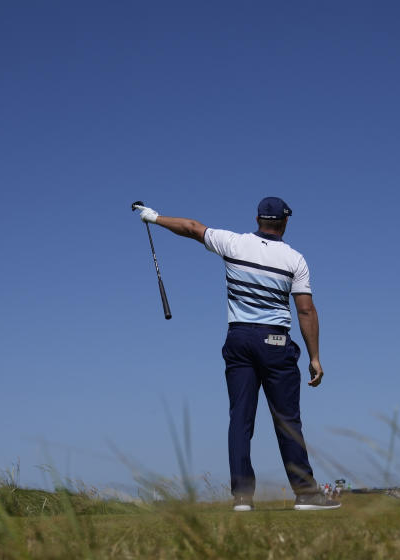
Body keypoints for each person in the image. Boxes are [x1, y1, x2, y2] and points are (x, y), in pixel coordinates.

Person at [134, 197, 340, 511]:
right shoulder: (295, 259)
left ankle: (242, 498)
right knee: (287, 422)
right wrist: (315, 357)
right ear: (284, 222)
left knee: (240, 419)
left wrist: (154, 217)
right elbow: (306, 310)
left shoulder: (234, 243)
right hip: (275, 343)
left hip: (239, 339)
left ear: (258, 219)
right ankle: (307, 494)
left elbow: (191, 228)